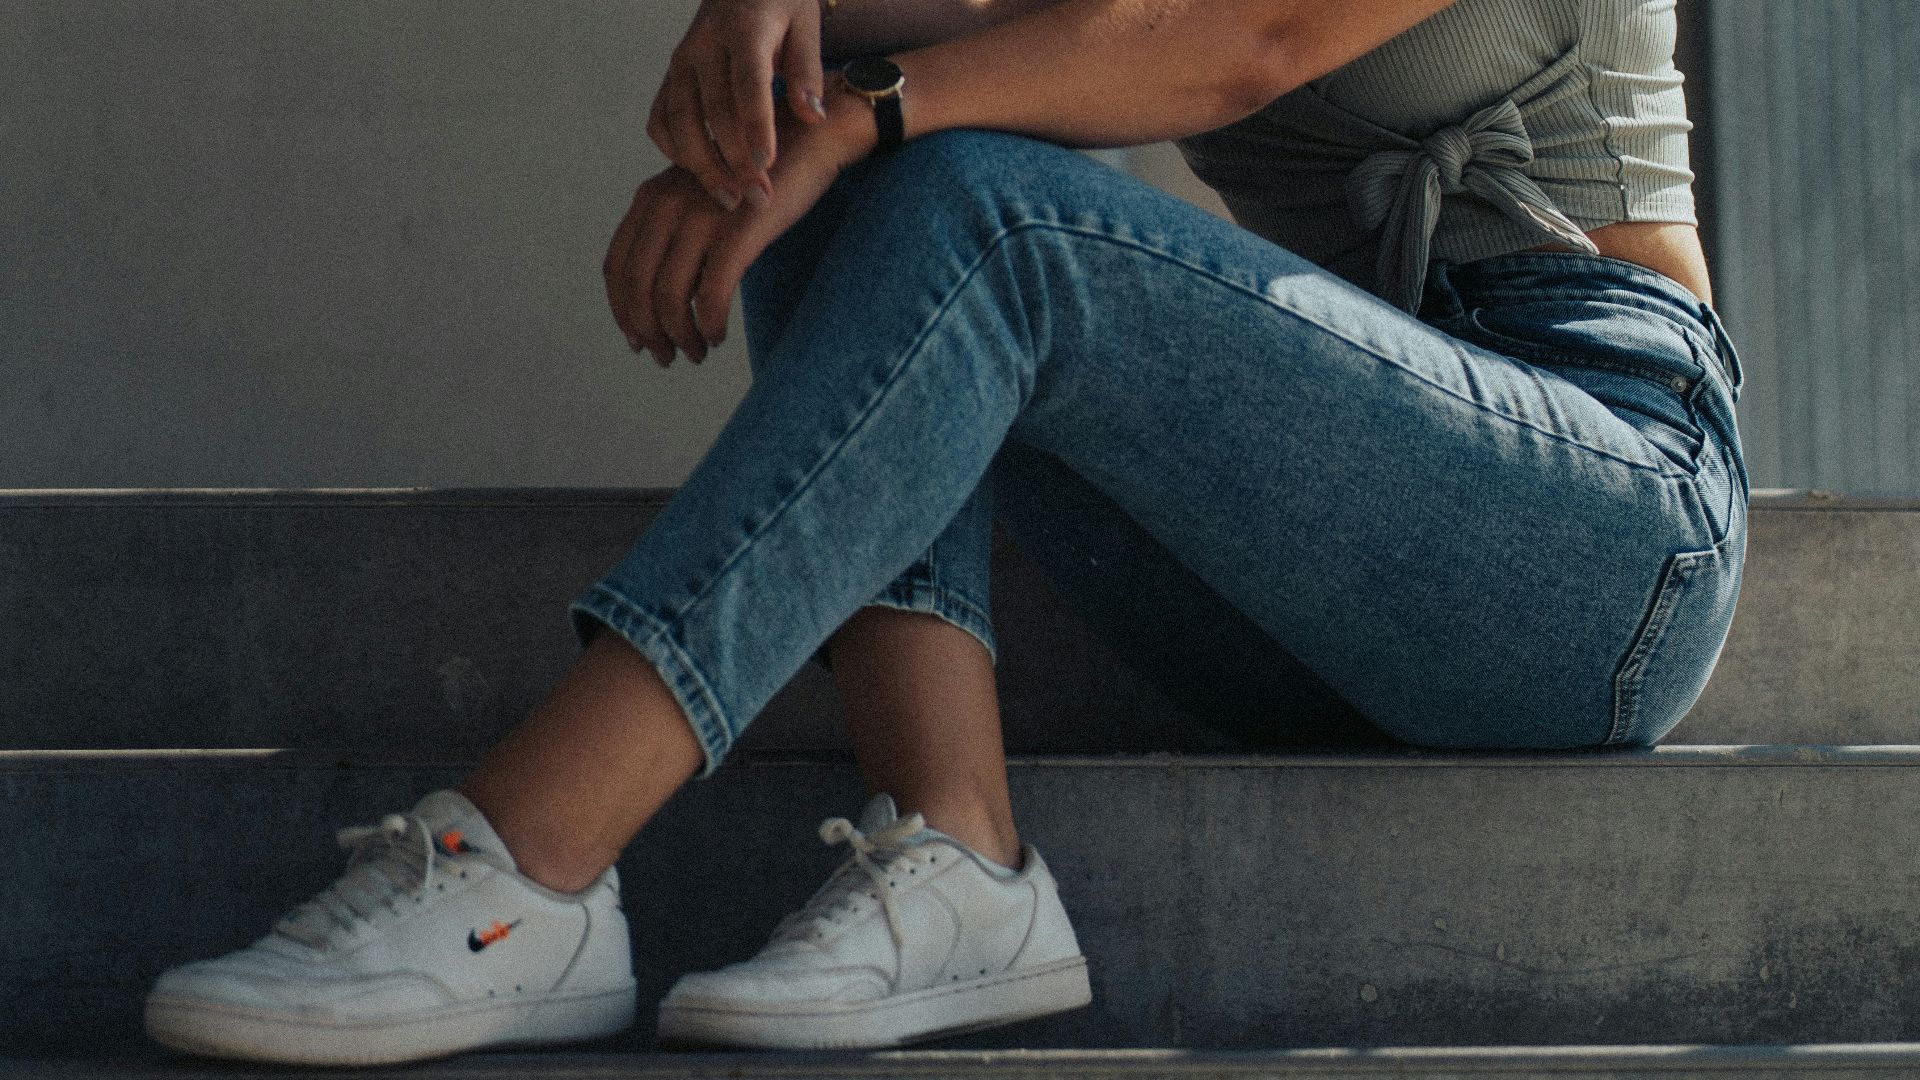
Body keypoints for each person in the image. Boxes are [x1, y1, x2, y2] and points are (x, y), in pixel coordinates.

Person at [142, 0, 1749, 1065]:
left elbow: (1235, 39)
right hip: (1306, 561)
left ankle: (526, 866)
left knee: (950, 176)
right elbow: (956, 32)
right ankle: (956, 852)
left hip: (1601, 531)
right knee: (844, 130)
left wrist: (863, 105)